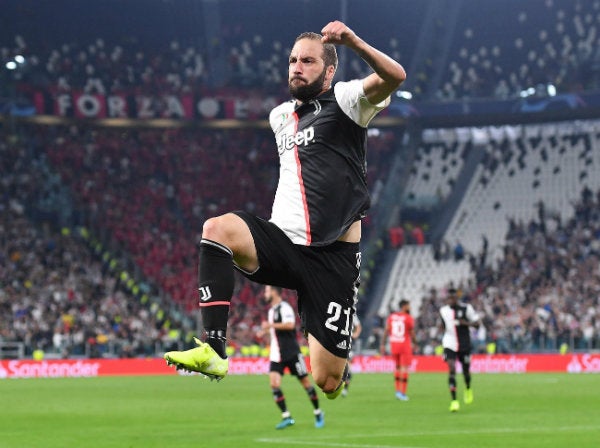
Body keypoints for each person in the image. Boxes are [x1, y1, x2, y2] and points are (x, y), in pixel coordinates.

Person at [164, 20, 406, 399]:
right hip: (285, 242)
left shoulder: (347, 100)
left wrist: (353, 41)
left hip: (334, 258)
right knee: (216, 229)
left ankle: (330, 333)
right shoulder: (279, 117)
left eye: (308, 61)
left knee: (327, 382)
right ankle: (214, 349)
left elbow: (395, 76)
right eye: (293, 60)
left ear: (328, 70)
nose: (296, 66)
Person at [260, 285, 324, 429]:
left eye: (267, 291)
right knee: (274, 384)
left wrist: (270, 325)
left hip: (292, 353)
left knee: (306, 384)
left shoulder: (285, 308)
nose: (265, 294)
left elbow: (290, 325)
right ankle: (287, 417)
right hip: (277, 355)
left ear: (275, 292)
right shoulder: (271, 311)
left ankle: (318, 412)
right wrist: (265, 332)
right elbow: (275, 330)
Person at [439, 287, 480, 412]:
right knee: (451, 369)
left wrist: (465, 323)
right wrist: (440, 329)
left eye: (453, 298)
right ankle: (454, 401)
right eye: (448, 298)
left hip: (464, 344)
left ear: (457, 298)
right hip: (449, 343)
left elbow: (477, 324)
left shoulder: (467, 308)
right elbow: (443, 325)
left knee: (466, 372)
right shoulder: (443, 310)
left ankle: (467, 388)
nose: (450, 300)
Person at [380, 299, 415, 401]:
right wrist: (416, 343)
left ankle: (397, 392)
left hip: (394, 344)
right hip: (404, 346)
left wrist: (382, 344)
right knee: (404, 369)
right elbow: (412, 333)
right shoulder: (408, 318)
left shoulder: (392, 317)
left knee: (397, 368)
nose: (410, 308)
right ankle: (402, 393)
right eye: (409, 306)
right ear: (404, 306)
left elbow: (386, 330)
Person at [341, 313, 362, 397]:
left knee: (347, 368)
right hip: (336, 343)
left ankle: (345, 389)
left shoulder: (352, 313)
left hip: (348, 344)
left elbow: (358, 326)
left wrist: (355, 335)